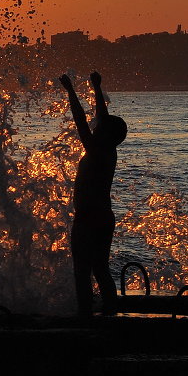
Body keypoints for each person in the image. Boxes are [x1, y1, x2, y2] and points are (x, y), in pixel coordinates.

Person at [60, 71, 127, 318]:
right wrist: (97, 87)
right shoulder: (108, 151)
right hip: (103, 216)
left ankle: (85, 316)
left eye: (100, 128)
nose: (95, 126)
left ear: (107, 135)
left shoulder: (97, 150)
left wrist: (70, 91)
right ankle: (110, 313)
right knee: (100, 268)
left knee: (82, 270)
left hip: (89, 218)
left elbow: (80, 119)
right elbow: (102, 117)